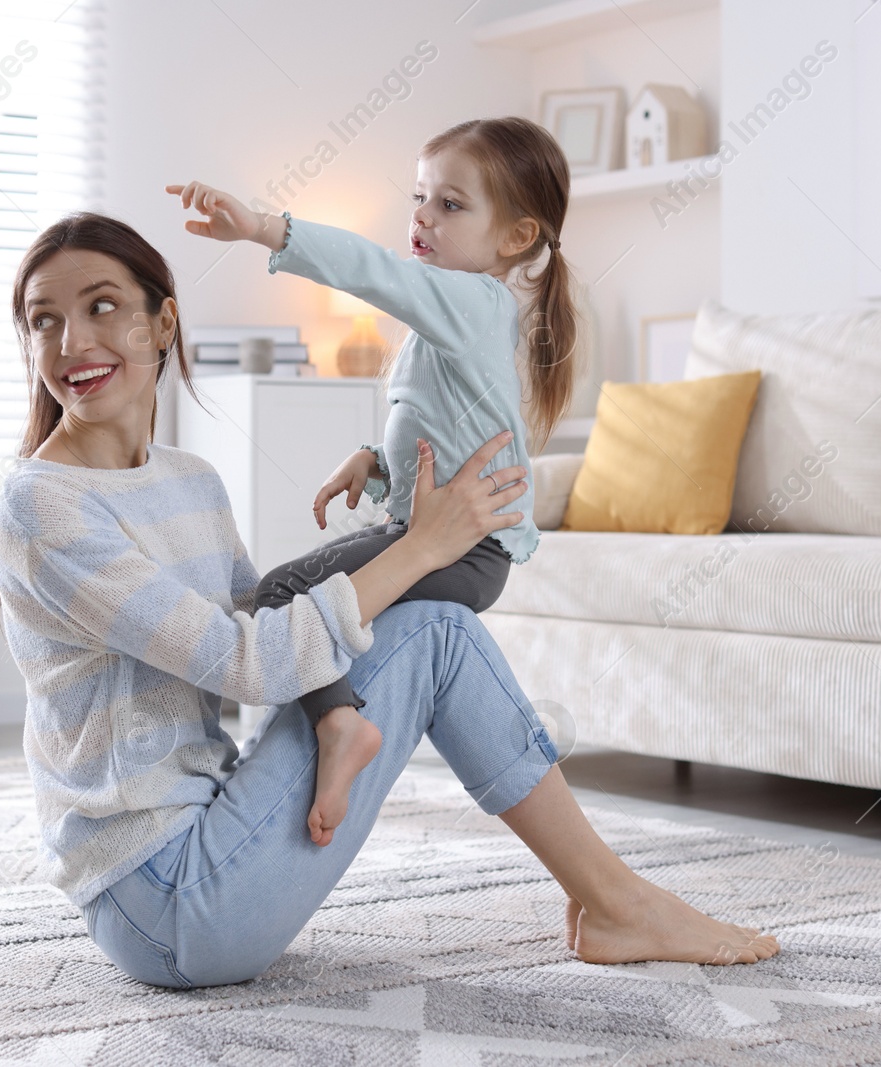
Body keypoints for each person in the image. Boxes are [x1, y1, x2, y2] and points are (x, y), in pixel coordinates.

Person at [0, 211, 779, 990]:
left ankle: (611, 897)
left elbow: (266, 632)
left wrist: (340, 702)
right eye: (43, 321)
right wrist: (422, 547)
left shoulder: (190, 480)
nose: (70, 344)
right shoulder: (41, 506)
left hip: (215, 830)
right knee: (435, 629)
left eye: (101, 307)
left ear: (162, 325)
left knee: (430, 624)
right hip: (166, 899)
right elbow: (247, 661)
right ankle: (617, 900)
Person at [168, 117, 578, 847]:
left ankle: (342, 727)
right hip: (450, 540)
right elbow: (444, 429)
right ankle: (328, 733)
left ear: (516, 237)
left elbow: (370, 269)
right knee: (313, 608)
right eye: (421, 196)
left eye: (451, 205)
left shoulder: (474, 302)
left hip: (463, 550)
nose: (422, 216)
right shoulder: (457, 314)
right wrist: (376, 460)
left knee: (280, 594)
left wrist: (264, 227)